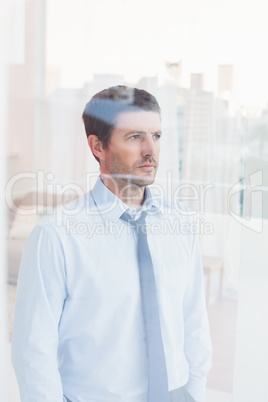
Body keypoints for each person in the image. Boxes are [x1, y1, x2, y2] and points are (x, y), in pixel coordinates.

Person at [12, 85, 212, 402]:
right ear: (98, 147)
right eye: (135, 137)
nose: (151, 150)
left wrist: (194, 392)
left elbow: (193, 321)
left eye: (156, 136)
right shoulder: (56, 236)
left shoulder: (181, 223)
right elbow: (33, 350)